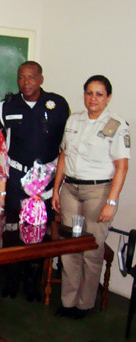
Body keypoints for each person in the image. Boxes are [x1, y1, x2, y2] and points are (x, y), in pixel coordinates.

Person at [0, 61, 69, 301]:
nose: (26, 82)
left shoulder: (58, 105)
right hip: (16, 181)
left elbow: (68, 142)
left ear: (41, 79)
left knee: (39, 233)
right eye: (21, 78)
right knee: (13, 233)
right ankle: (12, 282)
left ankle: (32, 285)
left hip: (45, 183)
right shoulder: (7, 106)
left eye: (31, 77)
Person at [52, 75, 130, 319]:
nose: (93, 98)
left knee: (91, 250)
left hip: (99, 192)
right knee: (69, 248)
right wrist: (56, 188)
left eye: (99, 94)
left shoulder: (116, 125)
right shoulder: (74, 120)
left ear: (108, 97)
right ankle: (68, 301)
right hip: (71, 191)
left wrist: (112, 202)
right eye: (89, 93)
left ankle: (84, 304)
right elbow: (63, 156)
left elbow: (122, 167)